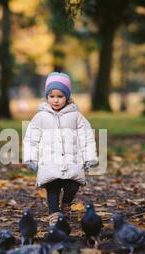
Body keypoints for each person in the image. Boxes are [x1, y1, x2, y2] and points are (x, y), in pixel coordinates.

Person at [23, 72, 98, 225]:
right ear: (47, 97)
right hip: (49, 162)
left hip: (72, 161)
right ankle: (54, 218)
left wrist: (90, 157)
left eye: (60, 96)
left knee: (73, 185)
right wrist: (30, 158)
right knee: (53, 188)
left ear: (67, 97)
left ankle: (66, 204)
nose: (56, 100)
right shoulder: (40, 117)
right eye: (52, 96)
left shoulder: (76, 116)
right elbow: (31, 139)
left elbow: (87, 137)